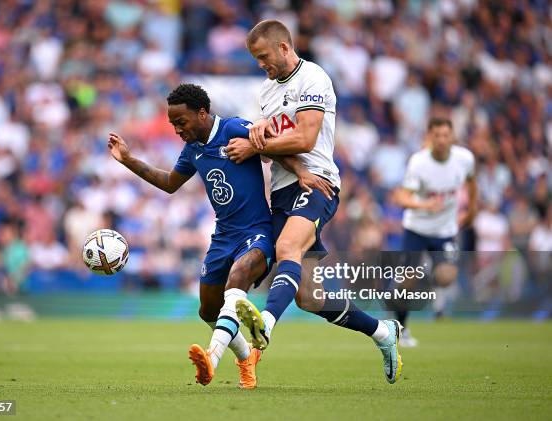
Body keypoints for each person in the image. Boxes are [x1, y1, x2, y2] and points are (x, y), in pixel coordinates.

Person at [108, 83, 333, 388]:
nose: (177, 129)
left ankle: (211, 359)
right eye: (173, 124)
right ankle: (244, 359)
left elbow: (272, 145)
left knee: (238, 277)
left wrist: (302, 171)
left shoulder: (234, 128)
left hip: (257, 232)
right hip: (223, 237)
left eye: (181, 122)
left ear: (202, 113)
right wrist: (128, 159)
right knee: (208, 309)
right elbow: (170, 182)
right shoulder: (192, 151)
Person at [225, 20, 403, 384]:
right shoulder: (265, 92)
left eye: (263, 56)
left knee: (288, 246)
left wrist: (256, 143)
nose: (261, 64)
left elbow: (306, 139)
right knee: (309, 297)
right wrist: (256, 137)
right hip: (282, 190)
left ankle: (266, 328)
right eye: (255, 59)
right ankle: (384, 333)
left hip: (318, 183)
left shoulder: (314, 78)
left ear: (284, 48)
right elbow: (271, 147)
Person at [393, 117, 478, 346]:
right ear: (430, 137)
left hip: (444, 230)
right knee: (407, 283)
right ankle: (401, 330)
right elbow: (400, 197)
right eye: (437, 136)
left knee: (446, 276)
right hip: (416, 228)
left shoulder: (464, 159)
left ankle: (417, 280)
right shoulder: (419, 163)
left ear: (452, 137)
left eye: (445, 135)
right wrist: (424, 205)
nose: (441, 140)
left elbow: (471, 182)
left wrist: (472, 209)